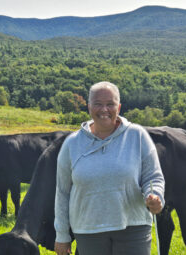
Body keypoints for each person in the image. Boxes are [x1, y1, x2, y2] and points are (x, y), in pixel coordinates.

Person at [54, 81, 165, 255]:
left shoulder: (137, 135)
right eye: (98, 104)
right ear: (89, 107)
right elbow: (62, 192)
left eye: (110, 104)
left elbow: (153, 176)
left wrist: (155, 196)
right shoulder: (72, 144)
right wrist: (62, 235)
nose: (104, 109)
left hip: (133, 227)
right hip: (88, 230)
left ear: (119, 107)